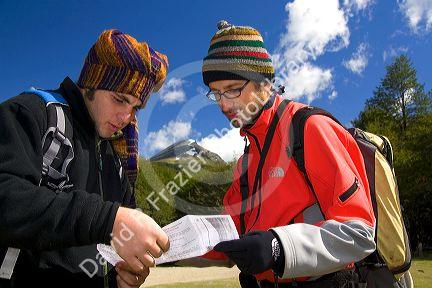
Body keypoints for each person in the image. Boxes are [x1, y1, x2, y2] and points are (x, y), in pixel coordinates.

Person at [201, 21, 376, 288]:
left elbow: (360, 233)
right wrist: (162, 246)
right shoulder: (247, 160)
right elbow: (229, 236)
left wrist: (278, 247)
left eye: (233, 88)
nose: (224, 104)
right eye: (216, 93)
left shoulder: (309, 129)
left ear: (263, 83)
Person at [0, 29, 170, 288]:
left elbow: (111, 249)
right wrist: (108, 219)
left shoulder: (119, 159)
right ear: (90, 82)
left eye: (135, 107)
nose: (126, 117)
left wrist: (119, 278)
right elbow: (6, 199)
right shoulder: (33, 113)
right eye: (119, 99)